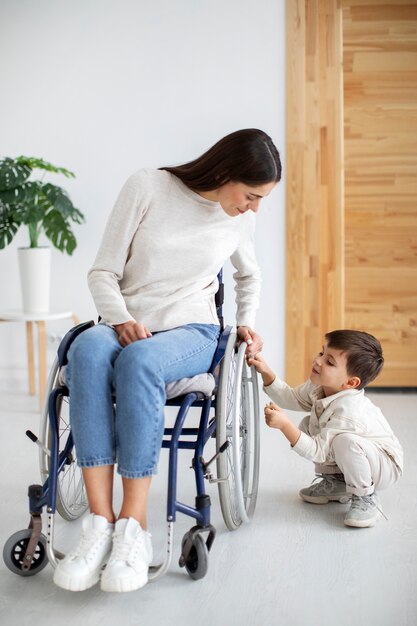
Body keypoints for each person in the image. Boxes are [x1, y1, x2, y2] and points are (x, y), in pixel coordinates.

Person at [53, 128, 282, 592]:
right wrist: (119, 320)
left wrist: (246, 323)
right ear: (224, 172)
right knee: (87, 350)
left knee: (140, 362)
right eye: (252, 195)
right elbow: (102, 271)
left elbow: (249, 278)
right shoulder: (147, 187)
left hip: (191, 331)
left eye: (262, 200)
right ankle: (99, 525)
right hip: (124, 322)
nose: (255, 207)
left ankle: (132, 528)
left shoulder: (239, 219)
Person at [248, 329, 403, 529]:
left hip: (384, 465)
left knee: (343, 441)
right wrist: (267, 373)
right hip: (358, 454)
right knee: (309, 424)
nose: (318, 361)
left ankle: (366, 497)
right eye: (322, 353)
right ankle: (337, 482)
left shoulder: (347, 411)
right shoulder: (319, 387)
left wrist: (285, 425)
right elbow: (293, 398)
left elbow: (319, 451)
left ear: (350, 382)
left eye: (330, 362)